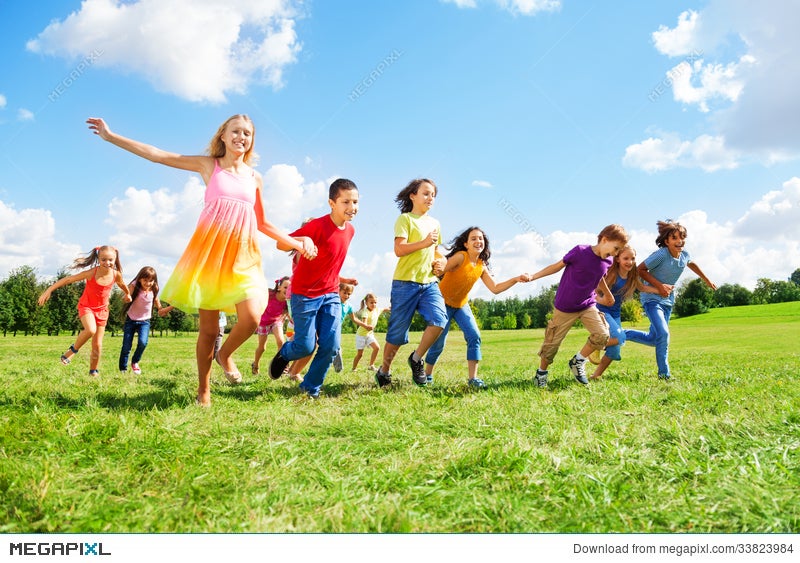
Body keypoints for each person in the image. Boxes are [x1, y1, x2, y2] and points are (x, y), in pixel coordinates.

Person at [87, 116, 316, 407]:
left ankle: (225, 354)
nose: (241, 137)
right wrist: (111, 136)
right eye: (235, 131)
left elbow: (263, 222)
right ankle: (203, 389)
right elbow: (159, 155)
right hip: (211, 256)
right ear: (223, 135)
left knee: (252, 318)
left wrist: (297, 242)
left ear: (251, 140)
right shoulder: (210, 165)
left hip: (244, 255)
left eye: (247, 133)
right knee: (208, 330)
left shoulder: (255, 177)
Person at [268, 179, 358, 399]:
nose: (352, 207)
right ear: (331, 203)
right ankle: (285, 353)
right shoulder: (317, 226)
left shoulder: (350, 230)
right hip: (305, 296)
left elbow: (328, 264)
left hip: (330, 295)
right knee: (305, 346)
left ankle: (310, 388)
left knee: (331, 345)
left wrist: (343, 279)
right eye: (345, 201)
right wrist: (303, 239)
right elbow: (281, 244)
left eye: (355, 202)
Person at [424, 227, 531, 389]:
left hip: (461, 305)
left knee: (474, 336)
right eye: (473, 238)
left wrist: (515, 279)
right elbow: (442, 269)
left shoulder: (481, 265)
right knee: (439, 344)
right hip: (443, 304)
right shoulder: (461, 256)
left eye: (480, 238)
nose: (478, 241)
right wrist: (435, 257)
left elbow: (495, 288)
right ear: (466, 244)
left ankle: (473, 379)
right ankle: (427, 375)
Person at [526, 224, 629, 387]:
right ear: (605, 239)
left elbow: (599, 275)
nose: (615, 254)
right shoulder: (580, 251)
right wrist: (534, 276)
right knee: (552, 344)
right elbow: (557, 266)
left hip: (587, 304)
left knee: (602, 334)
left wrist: (607, 293)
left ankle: (578, 361)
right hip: (565, 306)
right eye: (615, 248)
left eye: (618, 251)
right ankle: (541, 374)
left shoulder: (608, 260)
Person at [374, 178, 448, 388]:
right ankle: (384, 371)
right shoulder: (405, 219)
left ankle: (416, 358)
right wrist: (424, 242)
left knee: (439, 320)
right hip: (405, 284)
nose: (430, 198)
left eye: (433, 195)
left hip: (429, 283)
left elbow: (434, 251)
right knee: (396, 335)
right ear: (413, 196)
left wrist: (441, 261)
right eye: (426, 193)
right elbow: (399, 249)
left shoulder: (435, 223)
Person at [625, 220, 716, 380]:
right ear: (667, 241)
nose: (679, 241)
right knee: (664, 333)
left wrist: (706, 279)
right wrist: (659, 286)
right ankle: (664, 375)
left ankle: (619, 334)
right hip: (652, 299)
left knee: (654, 338)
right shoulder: (662, 254)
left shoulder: (684, 255)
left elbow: (691, 263)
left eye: (682, 237)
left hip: (667, 301)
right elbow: (640, 270)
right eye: (674, 238)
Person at [38, 246, 132, 377]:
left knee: (97, 344)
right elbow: (68, 279)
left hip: (103, 310)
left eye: (110, 260)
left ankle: (93, 371)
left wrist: (128, 294)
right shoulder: (91, 273)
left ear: (115, 259)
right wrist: (48, 290)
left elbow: (122, 284)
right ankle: (72, 351)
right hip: (86, 306)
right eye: (103, 259)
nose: (107, 263)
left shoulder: (116, 274)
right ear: (98, 259)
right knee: (90, 330)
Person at [588, 246, 658, 380]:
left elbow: (641, 287)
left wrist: (659, 290)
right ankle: (592, 345)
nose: (629, 262)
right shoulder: (611, 274)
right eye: (626, 258)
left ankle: (595, 376)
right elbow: (593, 291)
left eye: (632, 258)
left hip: (615, 313)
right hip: (602, 310)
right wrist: (602, 300)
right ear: (618, 259)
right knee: (619, 337)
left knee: (615, 349)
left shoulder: (632, 275)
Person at [119, 266, 173, 374]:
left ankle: (135, 362)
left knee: (143, 343)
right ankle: (123, 369)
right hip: (131, 319)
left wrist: (173, 306)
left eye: (151, 281)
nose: (148, 283)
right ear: (139, 279)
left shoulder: (154, 289)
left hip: (145, 321)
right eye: (145, 280)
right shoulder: (134, 286)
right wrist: (126, 298)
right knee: (126, 346)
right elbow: (125, 298)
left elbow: (160, 311)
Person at [252, 277, 291, 376]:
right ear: (279, 287)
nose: (287, 290)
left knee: (281, 342)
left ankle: (282, 366)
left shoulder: (288, 300)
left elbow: (290, 314)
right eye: (285, 287)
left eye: (290, 288)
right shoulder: (270, 294)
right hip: (263, 322)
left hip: (276, 321)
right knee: (262, 347)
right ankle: (255, 364)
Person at [351, 292, 390, 372]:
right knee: (360, 354)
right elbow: (364, 322)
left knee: (377, 348)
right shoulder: (365, 311)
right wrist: (366, 326)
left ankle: (371, 365)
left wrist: (395, 307)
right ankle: (354, 368)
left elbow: (387, 309)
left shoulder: (377, 310)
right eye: (371, 302)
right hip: (361, 335)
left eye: (375, 302)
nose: (374, 304)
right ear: (366, 303)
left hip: (369, 335)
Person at [332, 281, 356, 373]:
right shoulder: (334, 302)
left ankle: (338, 368)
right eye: (344, 293)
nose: (346, 295)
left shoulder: (349, 306)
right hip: (328, 327)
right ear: (339, 291)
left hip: (337, 329)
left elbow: (354, 319)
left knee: (336, 347)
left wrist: (365, 325)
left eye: (349, 294)